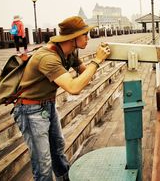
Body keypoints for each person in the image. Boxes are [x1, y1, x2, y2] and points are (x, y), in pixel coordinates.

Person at [12, 16, 111, 181]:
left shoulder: (68, 53)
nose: (88, 38)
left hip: (47, 105)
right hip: (30, 111)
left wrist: (101, 59)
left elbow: (87, 75)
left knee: (58, 152)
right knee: (43, 166)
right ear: (72, 38)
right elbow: (74, 88)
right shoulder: (47, 58)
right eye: (85, 35)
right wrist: (97, 60)